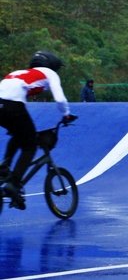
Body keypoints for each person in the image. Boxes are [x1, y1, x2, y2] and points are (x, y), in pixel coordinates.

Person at [0, 50, 75, 210]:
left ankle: (4, 167)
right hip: (13, 105)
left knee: (18, 134)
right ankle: (14, 184)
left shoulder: (18, 72)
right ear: (51, 65)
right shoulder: (49, 73)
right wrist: (66, 114)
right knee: (30, 146)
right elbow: (60, 99)